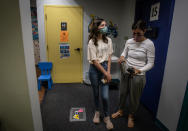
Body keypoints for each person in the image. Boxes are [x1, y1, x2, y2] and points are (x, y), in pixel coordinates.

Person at [111, 20, 155, 128]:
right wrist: (121, 57)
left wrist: (139, 70)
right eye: (133, 33)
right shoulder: (129, 41)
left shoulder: (149, 44)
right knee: (122, 93)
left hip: (138, 75)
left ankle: (131, 116)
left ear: (144, 31)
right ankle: (120, 111)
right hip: (126, 71)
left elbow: (151, 64)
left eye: (138, 34)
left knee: (134, 97)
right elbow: (124, 52)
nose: (135, 36)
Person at [87, 18, 114, 130]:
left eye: (105, 25)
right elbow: (94, 61)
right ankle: (97, 112)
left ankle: (107, 117)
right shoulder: (92, 42)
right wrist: (105, 73)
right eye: (102, 25)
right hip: (94, 69)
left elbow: (109, 57)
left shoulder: (108, 40)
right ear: (96, 28)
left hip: (104, 68)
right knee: (96, 93)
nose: (105, 27)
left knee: (105, 96)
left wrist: (107, 72)